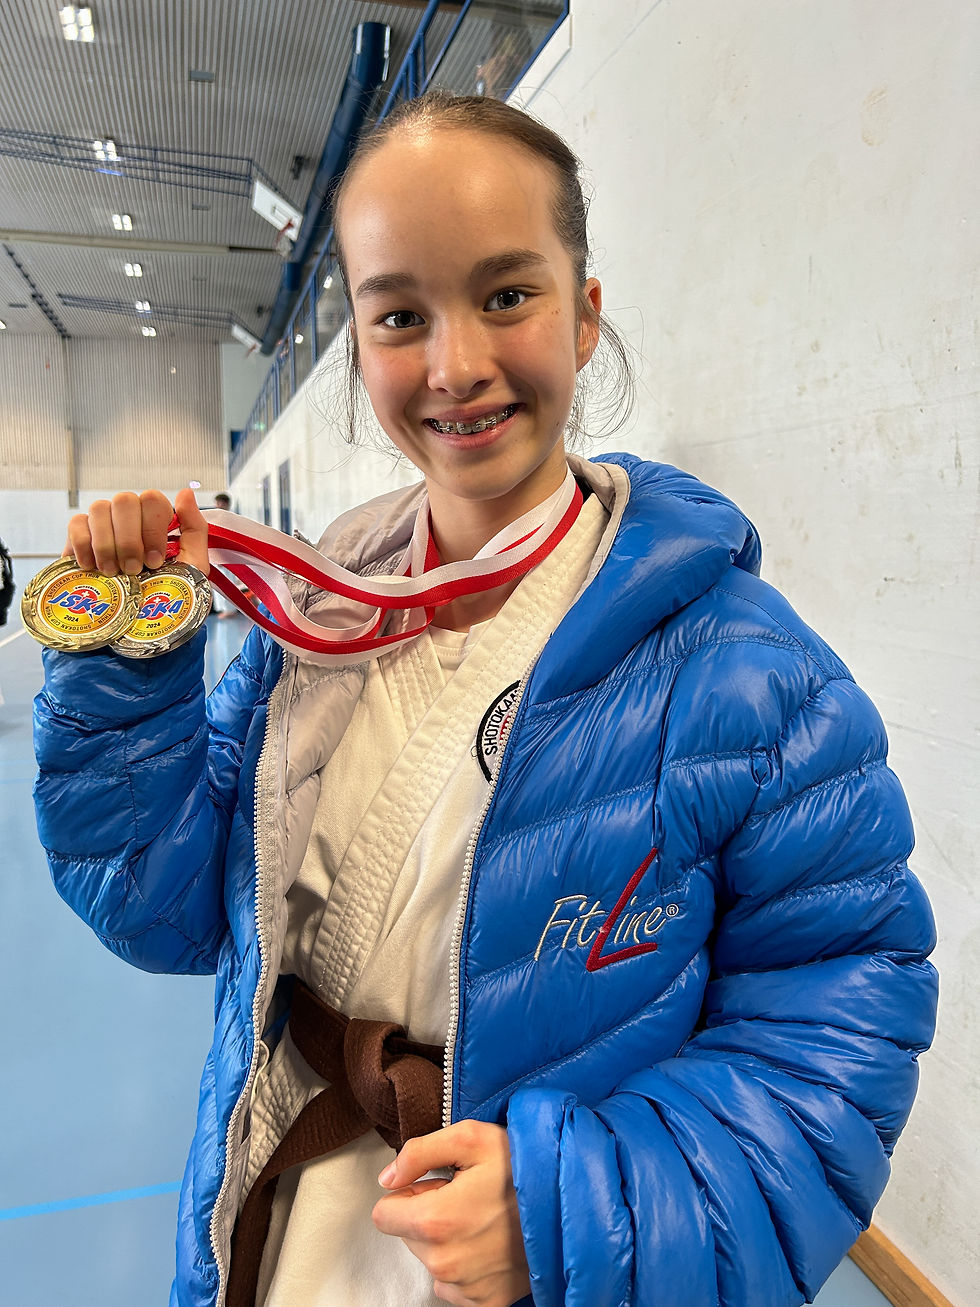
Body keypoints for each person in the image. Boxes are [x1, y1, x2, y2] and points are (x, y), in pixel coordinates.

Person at [33, 93, 937, 1307]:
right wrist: (126, 667)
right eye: (400, 314)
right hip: (279, 1236)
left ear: (583, 316)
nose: (456, 364)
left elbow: (836, 1047)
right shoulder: (308, 633)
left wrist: (574, 1207)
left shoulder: (753, 679)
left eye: (505, 294)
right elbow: (166, 914)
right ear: (357, 344)